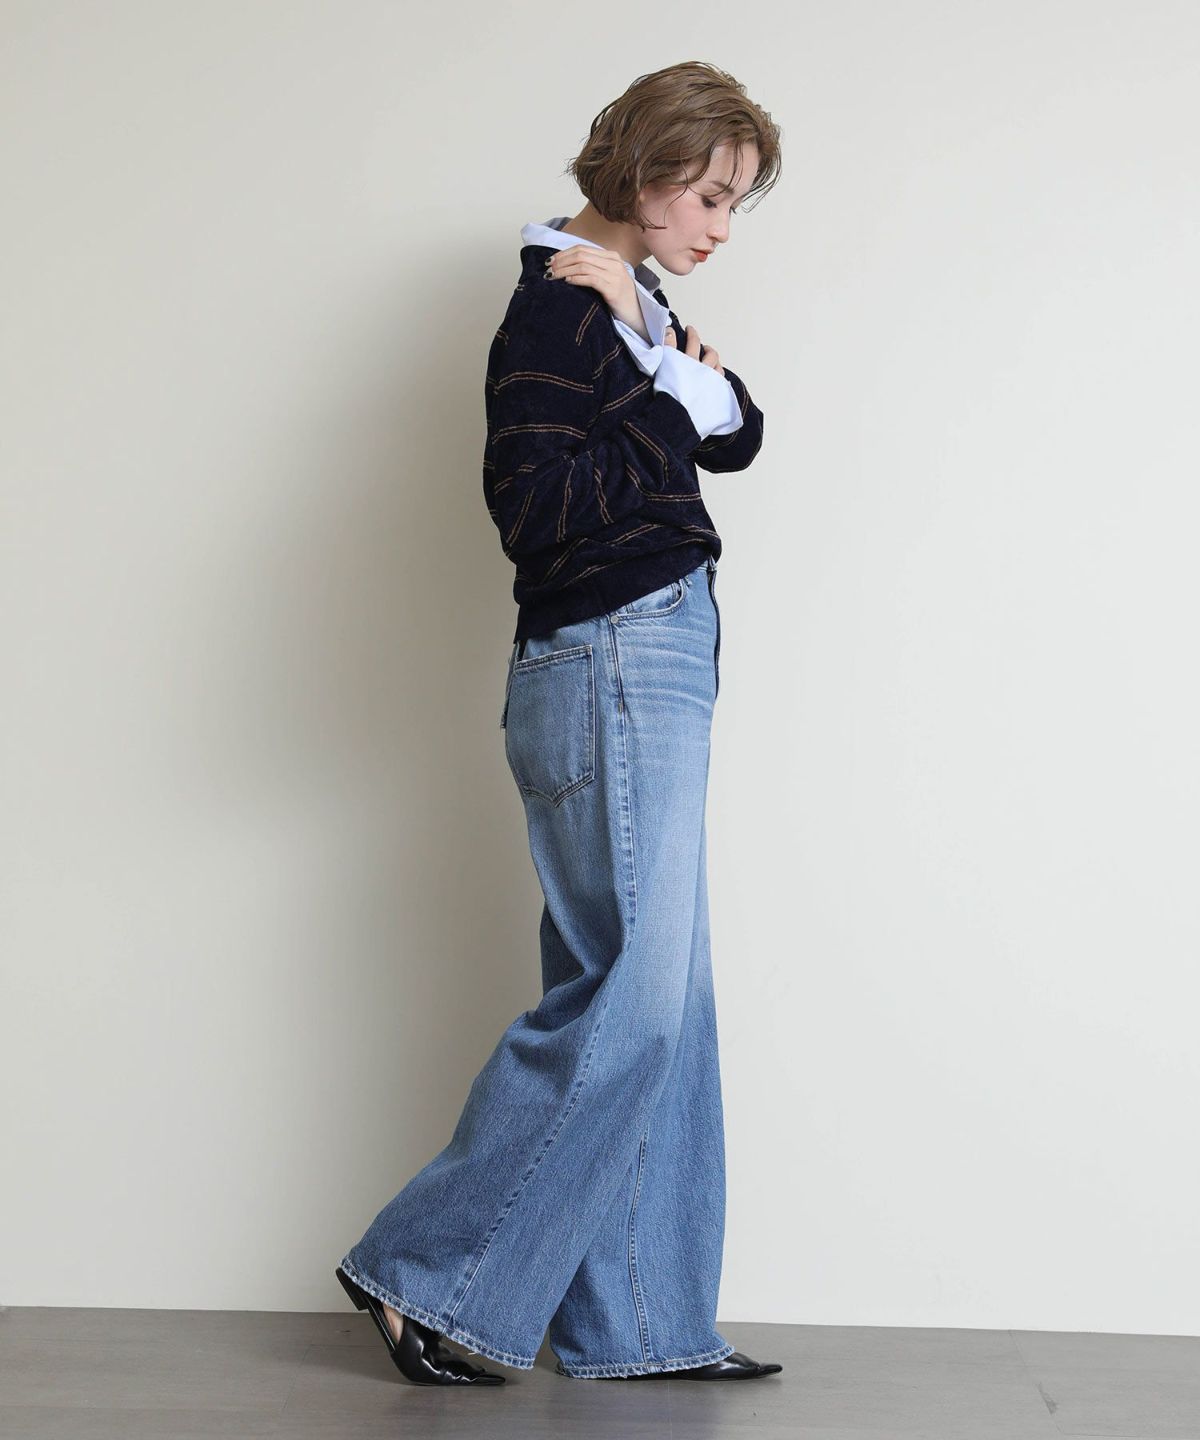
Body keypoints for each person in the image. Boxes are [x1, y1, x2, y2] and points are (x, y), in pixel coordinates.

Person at [336, 60, 783, 1387]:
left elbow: (741, 432)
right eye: (709, 196)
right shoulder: (557, 314)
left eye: (736, 204)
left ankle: (641, 1323)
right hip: (610, 652)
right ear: (644, 173)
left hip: (648, 652)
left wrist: (661, 360)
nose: (720, 228)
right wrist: (663, 382)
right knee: (633, 996)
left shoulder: (627, 310)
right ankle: (424, 1273)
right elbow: (535, 506)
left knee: (666, 999)